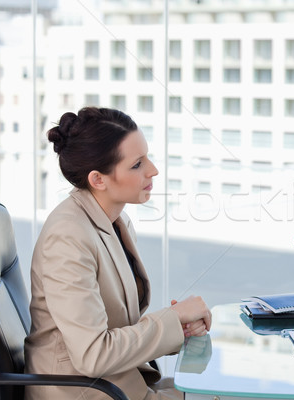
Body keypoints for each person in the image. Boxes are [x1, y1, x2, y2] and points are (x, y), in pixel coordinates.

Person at [24, 107, 212, 400]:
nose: (153, 170)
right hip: (84, 391)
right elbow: (93, 355)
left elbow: (114, 326)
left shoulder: (114, 221)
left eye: (147, 157)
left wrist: (179, 328)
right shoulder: (68, 236)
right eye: (137, 164)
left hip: (118, 381)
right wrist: (172, 319)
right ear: (98, 179)